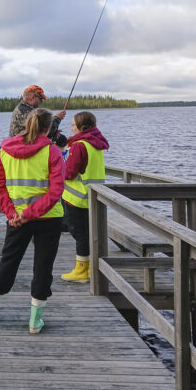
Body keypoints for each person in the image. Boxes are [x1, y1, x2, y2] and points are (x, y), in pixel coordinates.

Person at [0, 109, 65, 334]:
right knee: (43, 266)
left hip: (16, 218)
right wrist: (29, 214)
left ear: (27, 124)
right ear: (48, 128)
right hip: (48, 218)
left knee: (8, 261)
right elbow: (55, 191)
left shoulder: (5, 150)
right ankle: (35, 322)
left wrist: (12, 214)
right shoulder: (52, 152)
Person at [60, 111, 109, 283]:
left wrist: (60, 163)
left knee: (79, 234)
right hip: (92, 197)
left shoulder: (80, 145)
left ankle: (81, 271)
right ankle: (89, 268)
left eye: (73, 124)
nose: (71, 127)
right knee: (87, 234)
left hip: (77, 198)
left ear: (82, 126)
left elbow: (70, 172)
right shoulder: (95, 144)